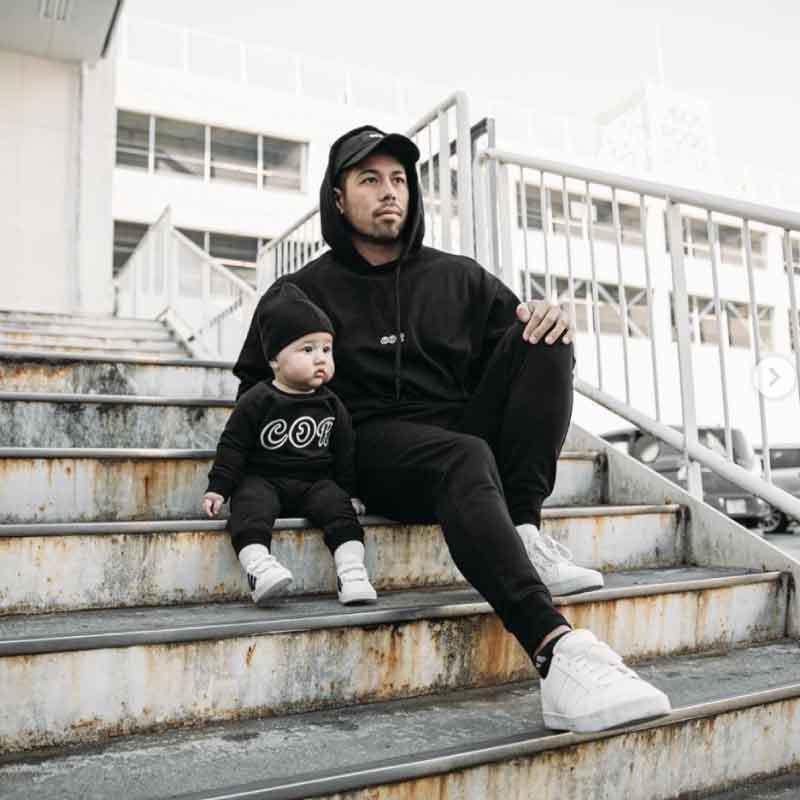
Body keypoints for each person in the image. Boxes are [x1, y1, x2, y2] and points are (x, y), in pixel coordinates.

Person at [232, 125, 671, 732]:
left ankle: (522, 528)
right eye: (369, 179)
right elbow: (257, 393)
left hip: (463, 439)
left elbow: (522, 356)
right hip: (373, 446)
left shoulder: (459, 277)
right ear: (337, 198)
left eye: (399, 179)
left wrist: (547, 317)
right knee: (461, 454)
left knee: (544, 334)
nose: (390, 191)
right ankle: (555, 651)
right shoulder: (301, 292)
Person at [203, 282, 377, 607]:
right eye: (307, 350)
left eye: (326, 350)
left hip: (315, 482)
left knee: (339, 510)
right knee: (249, 507)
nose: (320, 359)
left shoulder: (332, 403)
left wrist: (350, 492)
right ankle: (259, 568)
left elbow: (344, 451)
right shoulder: (258, 399)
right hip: (263, 479)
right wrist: (219, 488)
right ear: (275, 360)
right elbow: (234, 445)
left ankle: (351, 571)